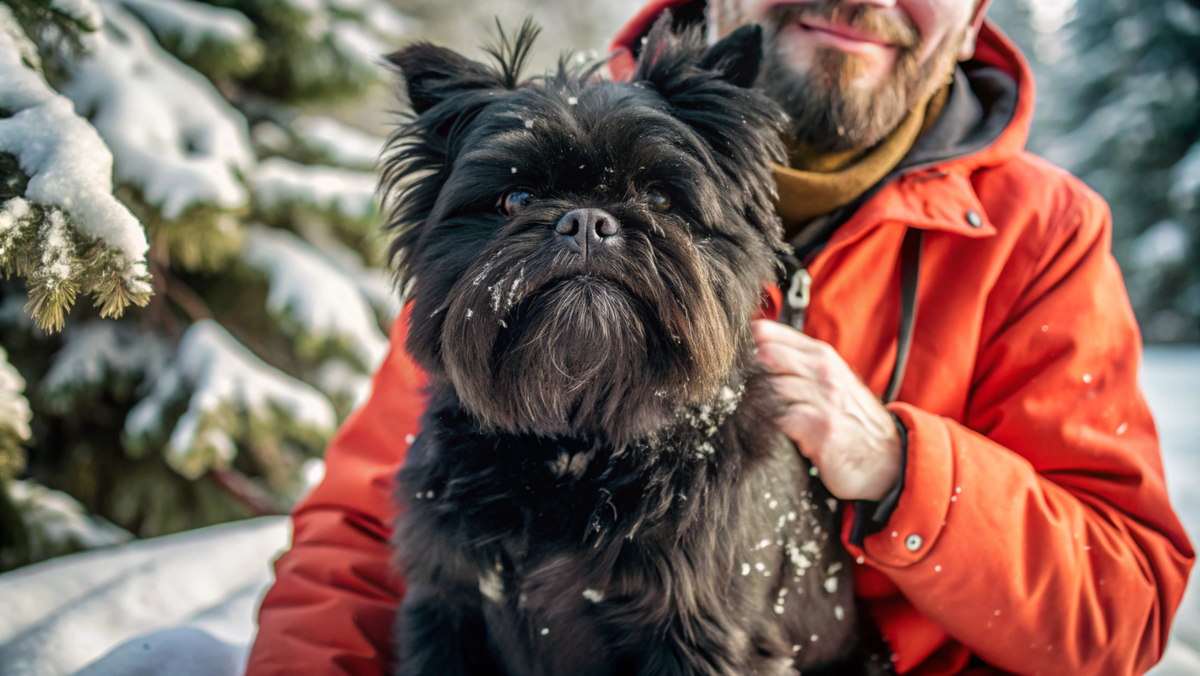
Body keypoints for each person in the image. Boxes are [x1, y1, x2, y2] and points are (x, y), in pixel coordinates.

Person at [245, 1, 1195, 674]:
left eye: (653, 198)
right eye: (536, 200)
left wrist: (906, 468)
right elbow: (359, 543)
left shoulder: (1042, 233)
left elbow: (1125, 609)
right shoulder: (504, 177)